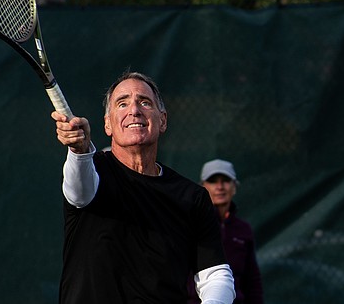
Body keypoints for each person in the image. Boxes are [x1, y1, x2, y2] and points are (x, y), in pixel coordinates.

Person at [51, 71, 235, 304]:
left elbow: (215, 275)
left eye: (145, 102)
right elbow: (78, 192)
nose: (134, 110)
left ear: (163, 120)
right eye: (122, 103)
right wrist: (79, 151)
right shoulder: (92, 171)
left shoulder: (192, 197)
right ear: (108, 124)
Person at [188, 159, 265, 304]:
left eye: (225, 180)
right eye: (212, 181)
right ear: (202, 186)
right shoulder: (191, 224)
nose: (219, 187)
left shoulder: (244, 229)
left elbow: (252, 280)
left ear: (235, 187)